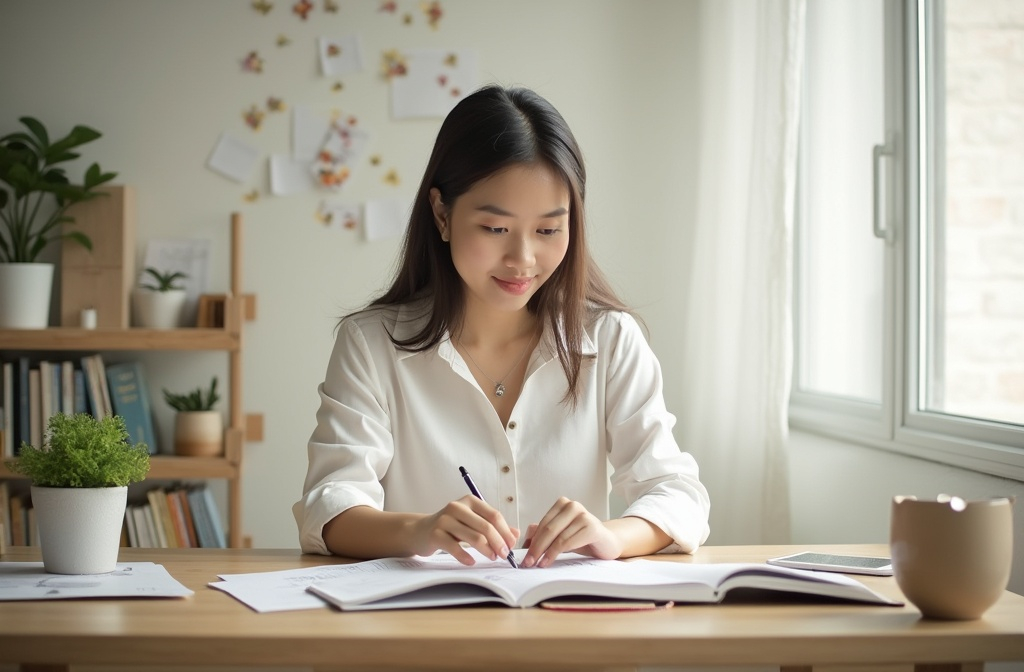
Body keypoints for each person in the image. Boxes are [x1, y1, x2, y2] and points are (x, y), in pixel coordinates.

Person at [293, 84, 710, 568]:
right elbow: (329, 507)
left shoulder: (611, 340)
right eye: (495, 229)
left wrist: (611, 536)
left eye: (549, 230)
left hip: (572, 625)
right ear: (442, 214)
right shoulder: (371, 345)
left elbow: (678, 494)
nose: (523, 259)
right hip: (425, 626)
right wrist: (420, 529)